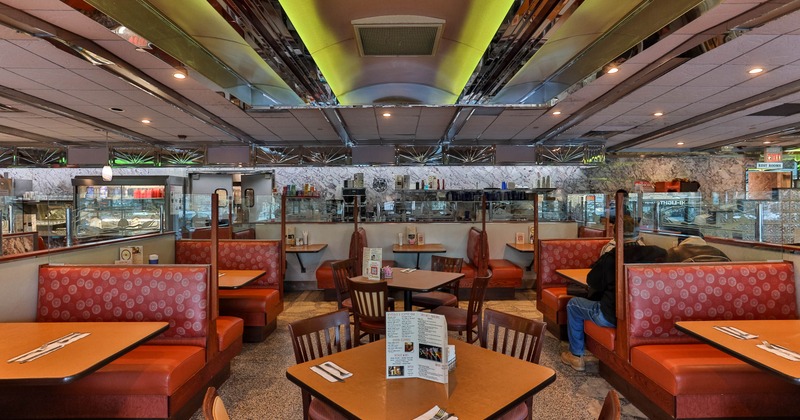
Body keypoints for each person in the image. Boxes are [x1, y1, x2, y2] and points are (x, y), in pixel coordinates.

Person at [560, 217, 666, 372]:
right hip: (647, 316)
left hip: (612, 316)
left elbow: (592, 282)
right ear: (638, 233)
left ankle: (576, 356)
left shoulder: (611, 257)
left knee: (573, 304)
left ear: (615, 235)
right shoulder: (658, 253)